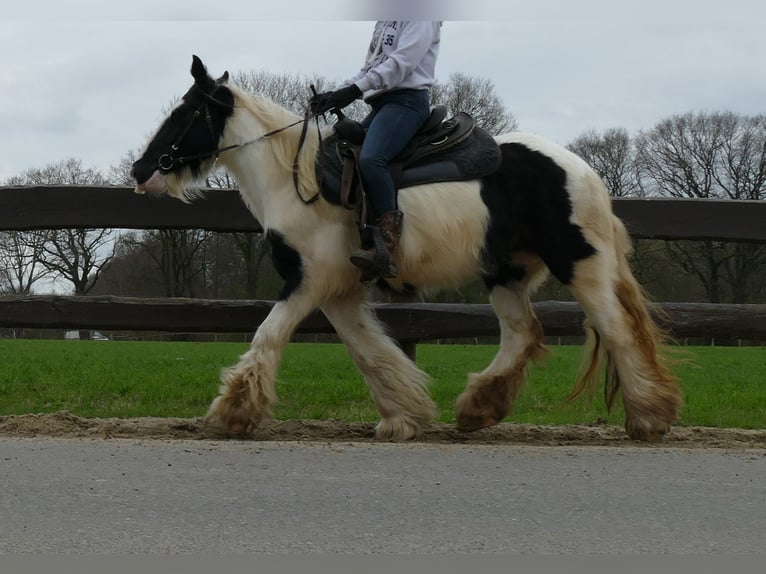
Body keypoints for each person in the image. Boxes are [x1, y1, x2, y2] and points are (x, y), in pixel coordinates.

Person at [310, 20, 443, 280]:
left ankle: (388, 248)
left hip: (407, 103)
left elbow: (401, 63)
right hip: (381, 106)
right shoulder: (386, 19)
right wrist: (336, 93)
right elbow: (372, 67)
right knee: (341, 149)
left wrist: (354, 90)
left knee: (372, 160)